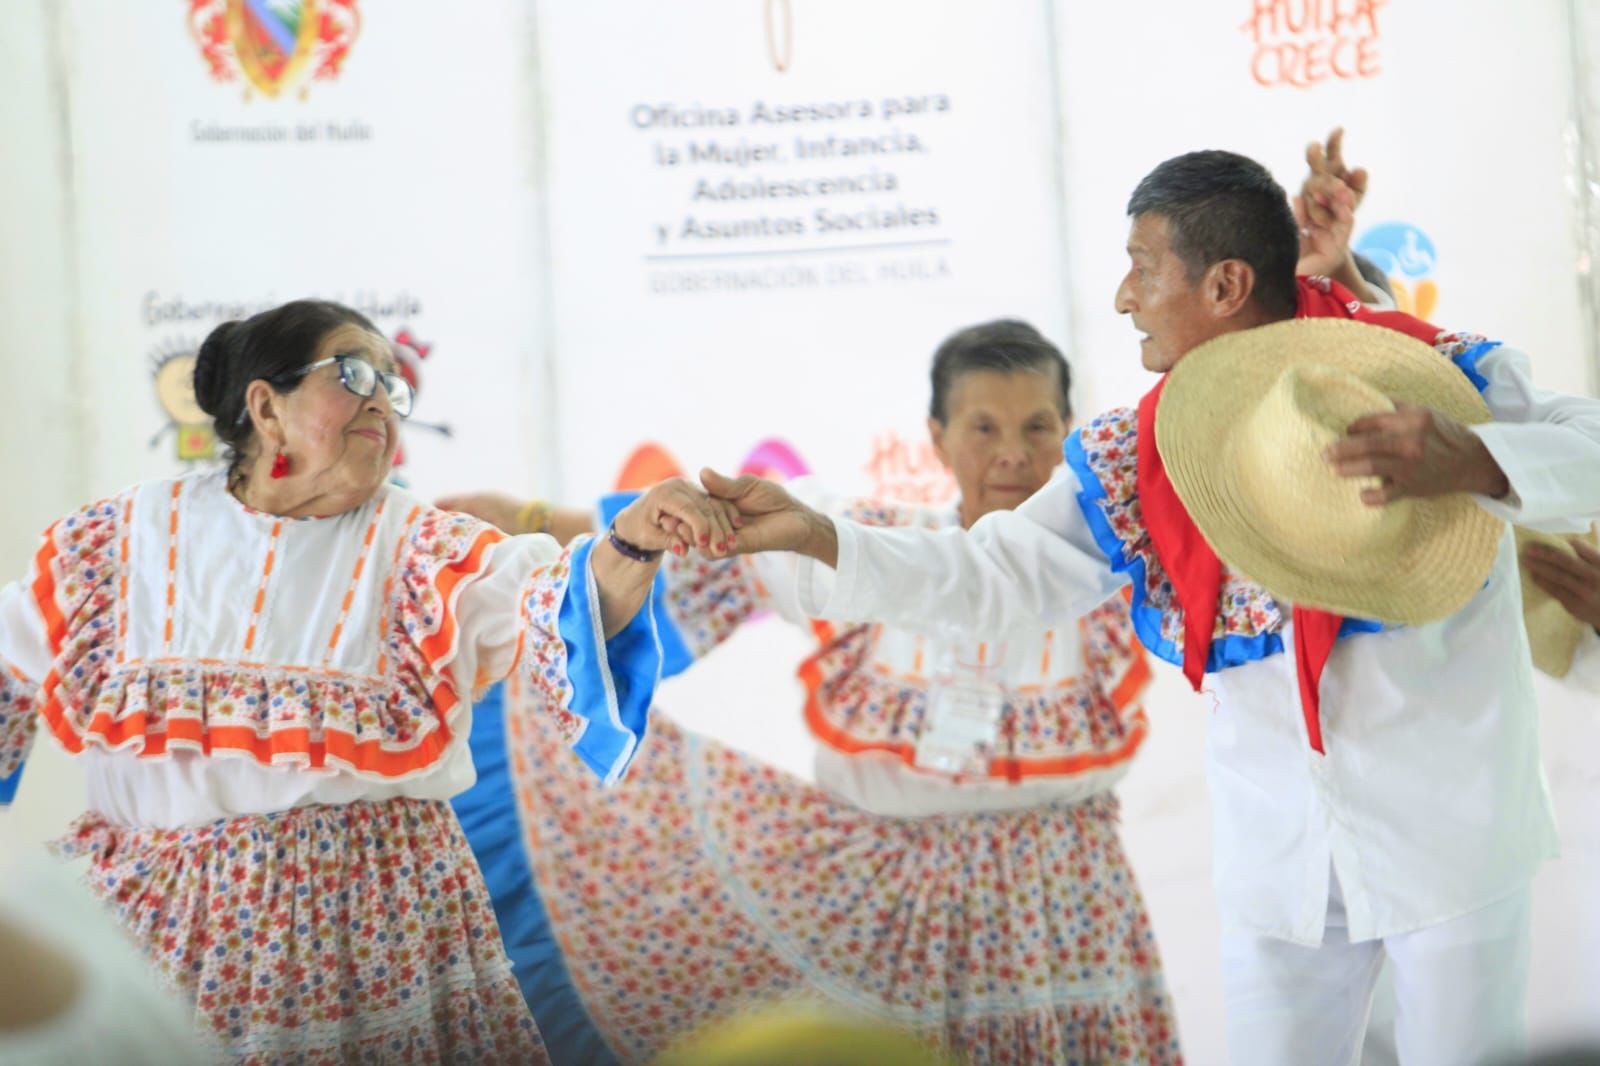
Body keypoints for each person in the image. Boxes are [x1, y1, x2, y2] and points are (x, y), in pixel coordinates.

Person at [703, 149, 1600, 1066]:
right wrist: (822, 537)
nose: (1124, 296)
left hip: (1453, 841)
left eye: (1141, 266)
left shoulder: (1433, 378)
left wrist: (1481, 461)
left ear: (1225, 285)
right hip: (1280, 863)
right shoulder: (1146, 453)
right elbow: (993, 571)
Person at [0, 299, 737, 1063]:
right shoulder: (121, 542)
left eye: (394, 385)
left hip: (369, 938)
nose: (383, 400)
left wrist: (632, 542)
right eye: (354, 374)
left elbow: (564, 603)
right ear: (266, 407)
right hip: (166, 934)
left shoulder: (421, 548)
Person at [443, 320, 1182, 1064]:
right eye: (983, 426)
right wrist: (536, 523)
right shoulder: (875, 541)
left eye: (1038, 426)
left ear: (1070, 430)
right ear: (937, 436)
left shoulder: (1108, 556)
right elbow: (710, 545)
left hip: (1065, 900)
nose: (1012, 452)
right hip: (892, 907)